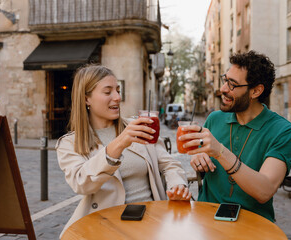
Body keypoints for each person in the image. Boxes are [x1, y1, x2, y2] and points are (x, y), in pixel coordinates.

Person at [56, 65, 191, 237]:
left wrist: (177, 185)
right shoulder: (69, 143)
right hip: (105, 227)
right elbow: (82, 183)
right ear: (86, 99)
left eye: (118, 90)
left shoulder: (138, 125)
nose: (118, 97)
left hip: (152, 222)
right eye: (108, 92)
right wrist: (119, 143)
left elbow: (169, 164)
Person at [179, 51, 291, 222]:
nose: (223, 89)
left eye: (232, 84)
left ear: (256, 91)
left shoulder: (283, 131)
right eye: (225, 80)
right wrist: (199, 156)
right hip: (205, 218)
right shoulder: (214, 119)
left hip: (253, 224)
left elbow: (264, 191)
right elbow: (201, 152)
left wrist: (220, 151)